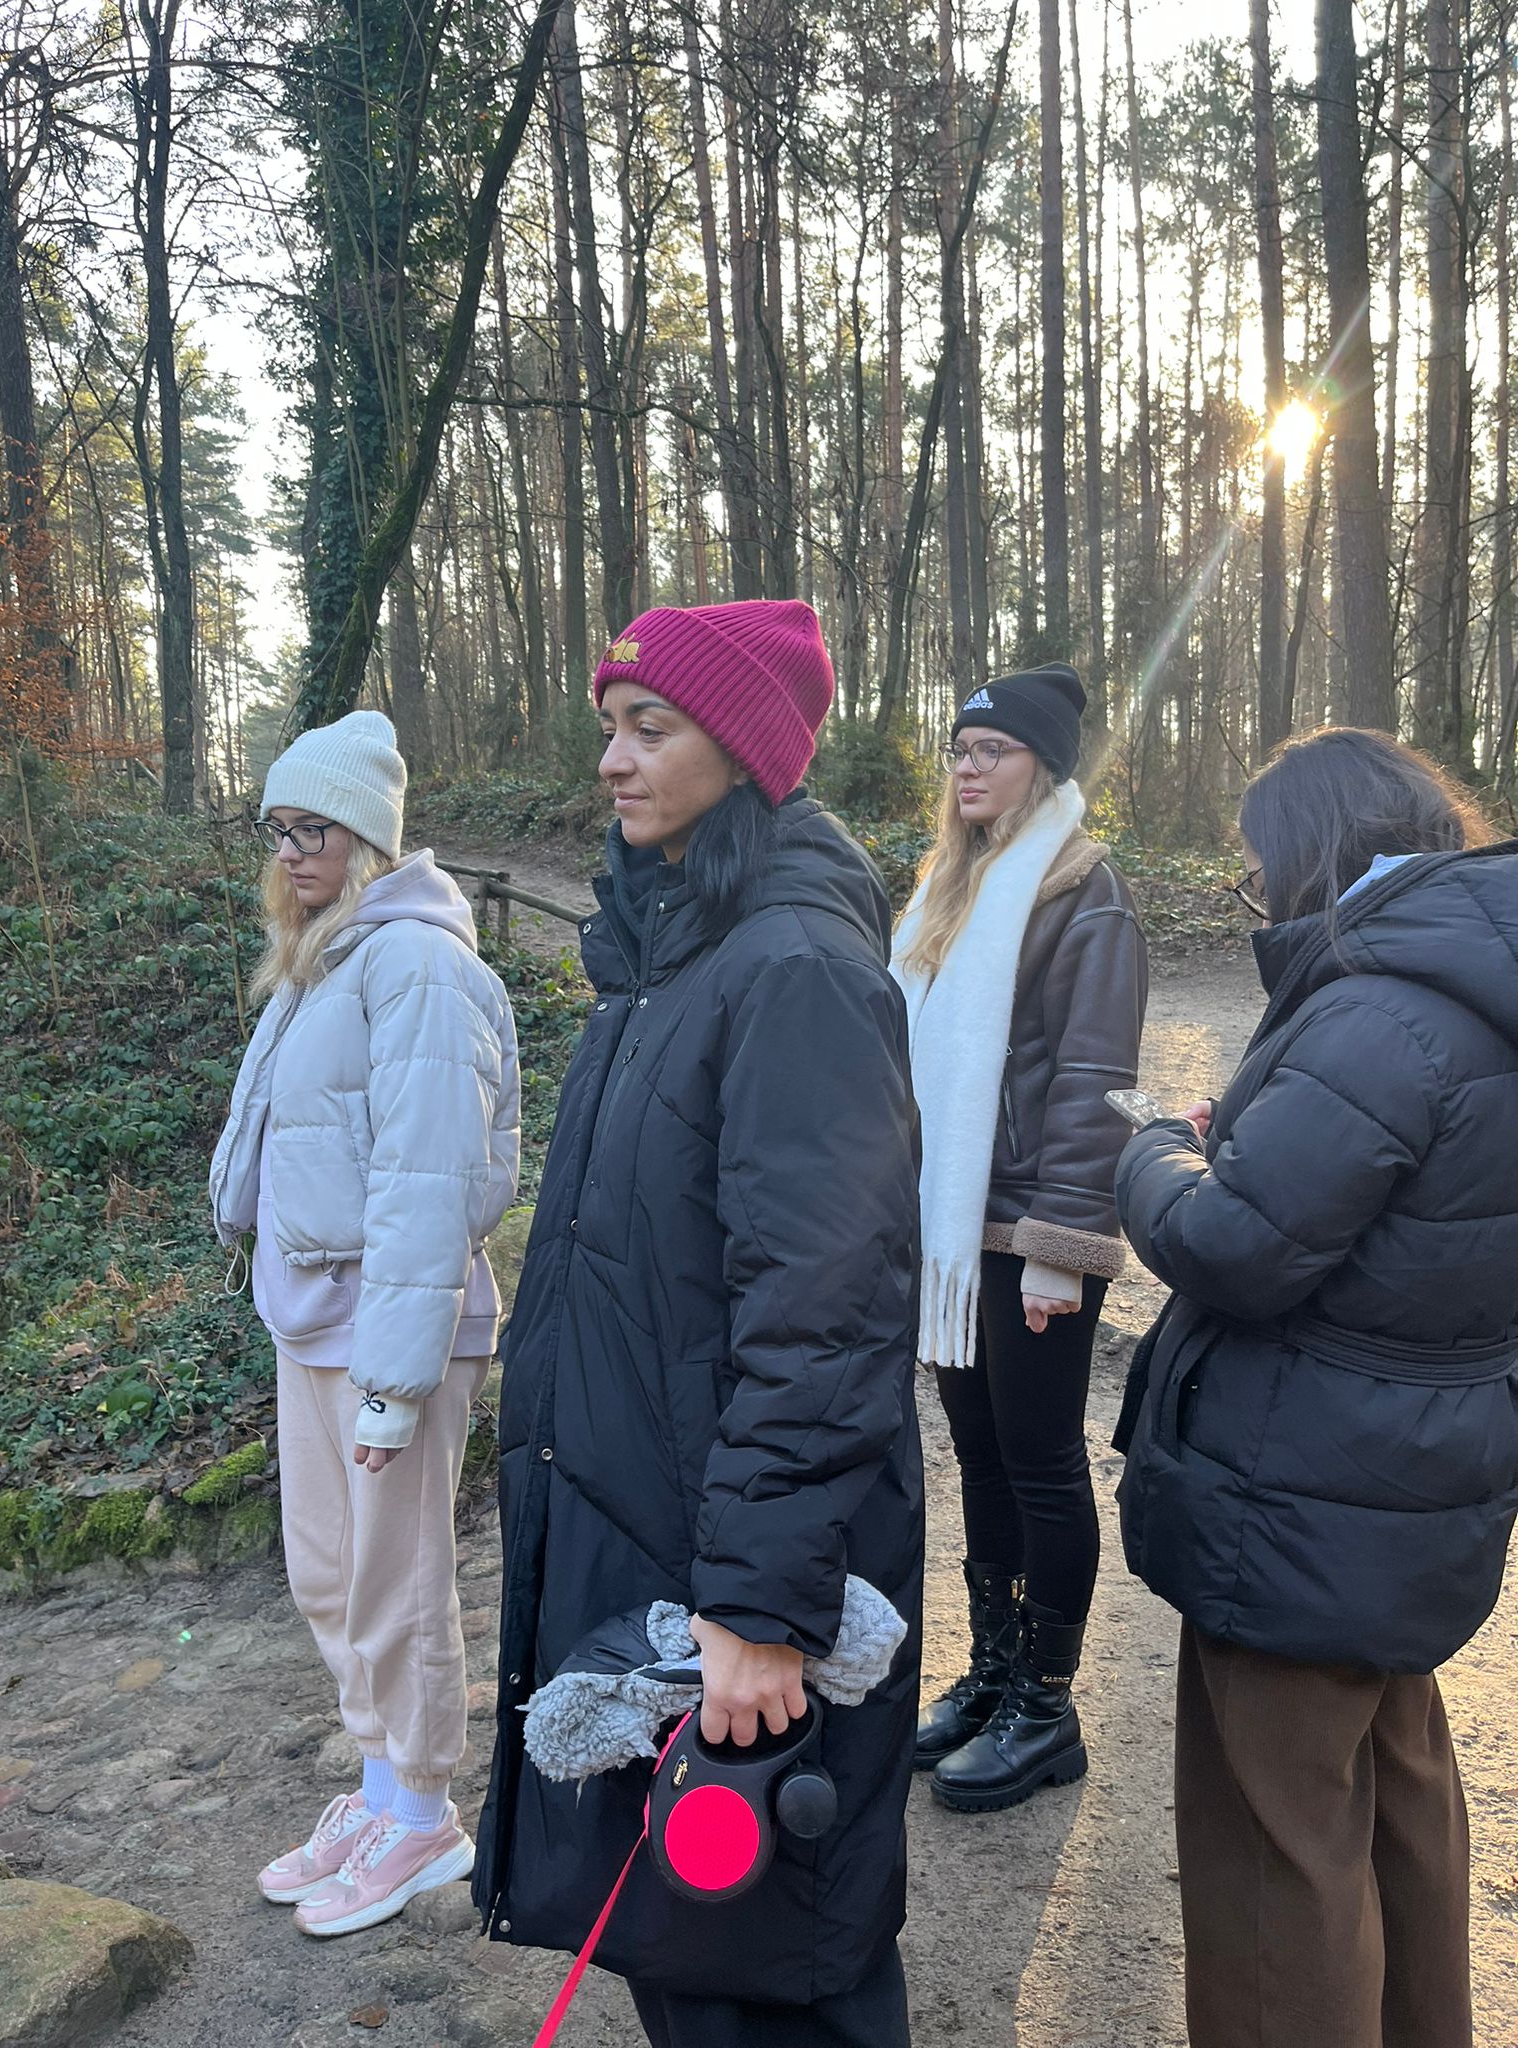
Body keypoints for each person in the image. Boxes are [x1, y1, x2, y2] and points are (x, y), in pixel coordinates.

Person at [472, 600, 924, 2047]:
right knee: (686, 1940)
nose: (612, 759)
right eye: (611, 725)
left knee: (774, 1957)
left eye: (649, 727)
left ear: (745, 751)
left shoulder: (795, 971)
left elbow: (827, 1309)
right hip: (657, 1526)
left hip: (732, 1570)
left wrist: (761, 1608)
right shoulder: (666, 962)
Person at [1114, 727, 1518, 2048]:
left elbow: (1236, 1246)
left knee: (1275, 1852)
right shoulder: (1481, 984)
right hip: (1427, 1477)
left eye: (1257, 868)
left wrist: (1154, 1155)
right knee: (1401, 1800)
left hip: (1299, 1488)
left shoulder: (1379, 1010)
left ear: (1311, 851)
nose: (1257, 894)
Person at [209, 709, 520, 1938]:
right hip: (316, 1315)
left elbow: (428, 1181)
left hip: (395, 1329)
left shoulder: (419, 964)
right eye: (280, 830)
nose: (293, 852)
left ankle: (425, 1814)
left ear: (371, 839)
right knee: (328, 1571)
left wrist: (395, 1378)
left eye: (316, 830)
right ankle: (381, 1782)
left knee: (398, 1582)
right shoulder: (324, 958)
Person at [894, 664, 1147, 1812]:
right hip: (955, 1227)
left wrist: (1062, 1243)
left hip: (1030, 1226)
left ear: (1043, 764)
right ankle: (995, 1670)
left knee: (1042, 1460)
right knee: (982, 1455)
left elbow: (1095, 1081)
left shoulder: (1085, 892)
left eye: (991, 748)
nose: (968, 765)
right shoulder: (952, 887)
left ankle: (1047, 1703)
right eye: (960, 745)